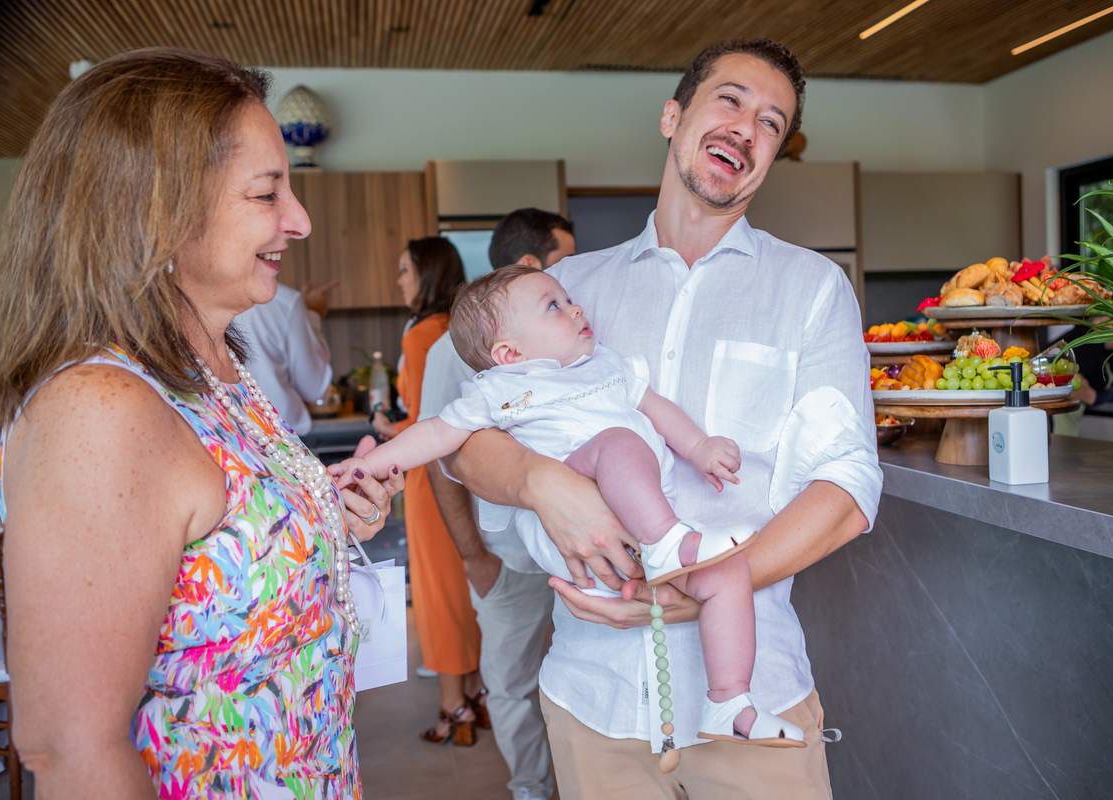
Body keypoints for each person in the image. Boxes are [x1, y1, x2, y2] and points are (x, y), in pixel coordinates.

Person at [445, 39, 882, 799]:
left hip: (754, 697)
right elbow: (467, 443)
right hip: (591, 700)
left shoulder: (812, 288)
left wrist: (694, 592)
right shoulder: (565, 290)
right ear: (673, 116)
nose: (747, 128)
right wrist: (541, 482)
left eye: (772, 123)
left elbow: (847, 490)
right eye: (730, 100)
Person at [0, 48, 401, 799]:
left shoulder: (215, 368)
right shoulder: (100, 412)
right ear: (158, 210)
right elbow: (71, 750)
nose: (300, 220)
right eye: (266, 193)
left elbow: (211, 554)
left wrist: (323, 518)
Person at [336, 264, 804, 739]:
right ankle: (670, 544)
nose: (576, 308)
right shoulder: (499, 389)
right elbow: (437, 434)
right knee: (618, 440)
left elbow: (654, 406)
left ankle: (729, 701)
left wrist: (699, 447)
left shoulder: (604, 365)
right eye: (554, 306)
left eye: (568, 300)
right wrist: (367, 466)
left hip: (639, 521)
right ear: (510, 353)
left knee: (729, 575)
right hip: (572, 521)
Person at [415, 208, 573, 800]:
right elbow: (440, 460)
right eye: (565, 259)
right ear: (531, 262)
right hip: (508, 558)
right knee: (510, 682)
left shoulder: (571, 333)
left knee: (577, 680)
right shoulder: (451, 351)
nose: (574, 274)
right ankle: (531, 789)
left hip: (580, 551)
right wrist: (474, 557)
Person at [370, 237, 485, 745]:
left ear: (427, 274)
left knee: (438, 591)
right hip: (466, 474)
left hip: (427, 476)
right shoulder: (462, 327)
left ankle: (452, 705)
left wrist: (386, 428)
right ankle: (476, 692)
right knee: (463, 582)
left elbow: (425, 423)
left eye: (404, 270)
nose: (399, 281)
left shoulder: (420, 335)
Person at [233, 279, 339, 436]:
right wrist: (310, 315)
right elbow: (314, 388)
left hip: (227, 435)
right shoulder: (285, 302)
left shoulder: (203, 299)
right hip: (283, 437)